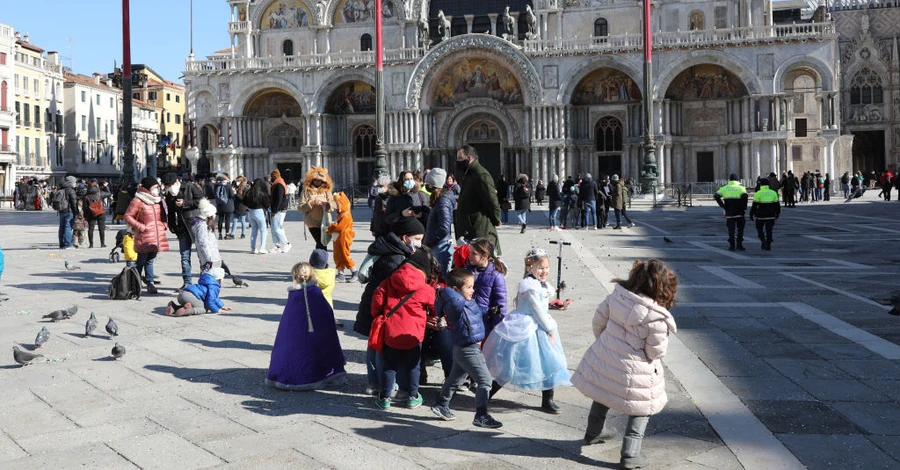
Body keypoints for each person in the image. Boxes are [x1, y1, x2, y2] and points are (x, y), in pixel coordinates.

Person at [572, 259, 678, 470]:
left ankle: (593, 432)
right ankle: (630, 454)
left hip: (607, 356)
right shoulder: (656, 319)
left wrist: (607, 344)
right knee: (642, 407)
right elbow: (656, 352)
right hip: (637, 366)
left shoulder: (617, 297)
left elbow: (598, 321)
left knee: (603, 390)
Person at [483, 248, 571, 414]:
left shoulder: (540, 283)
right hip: (529, 327)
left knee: (550, 362)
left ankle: (548, 399)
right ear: (529, 267)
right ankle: (487, 393)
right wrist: (550, 329)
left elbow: (543, 304)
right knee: (512, 364)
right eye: (540, 268)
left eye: (546, 267)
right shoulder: (529, 285)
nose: (544, 271)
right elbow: (537, 310)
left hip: (541, 324)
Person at [354, 217, 423, 395]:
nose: (419, 243)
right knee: (380, 347)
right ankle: (383, 384)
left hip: (373, 304)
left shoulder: (389, 247)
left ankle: (374, 383)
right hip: (381, 307)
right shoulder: (396, 258)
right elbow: (399, 285)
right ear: (405, 237)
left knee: (373, 343)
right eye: (417, 238)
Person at [430, 268, 503, 429]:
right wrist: (445, 290)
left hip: (463, 349)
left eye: (472, 286)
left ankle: (441, 404)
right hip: (468, 350)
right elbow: (452, 296)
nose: (473, 290)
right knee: (485, 381)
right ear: (456, 290)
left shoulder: (467, 302)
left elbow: (476, 311)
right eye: (469, 287)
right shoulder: (455, 304)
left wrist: (489, 311)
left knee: (455, 380)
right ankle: (481, 415)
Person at [371, 248, 437, 410]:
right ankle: (412, 397)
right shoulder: (426, 288)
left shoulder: (388, 281)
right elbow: (435, 309)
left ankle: (385, 397)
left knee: (390, 366)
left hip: (391, 334)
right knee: (414, 366)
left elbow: (376, 305)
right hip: (413, 335)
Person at [266, 262, 346, 390]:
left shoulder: (294, 296)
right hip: (317, 336)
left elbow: (288, 323)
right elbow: (327, 313)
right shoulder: (316, 293)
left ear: (295, 277)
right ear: (312, 275)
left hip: (296, 337)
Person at [124, 177, 169, 294]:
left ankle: (150, 283)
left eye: (157, 187)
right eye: (154, 187)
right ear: (148, 188)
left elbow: (162, 215)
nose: (156, 190)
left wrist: (164, 224)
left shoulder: (158, 200)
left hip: (156, 235)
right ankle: (135, 283)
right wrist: (141, 227)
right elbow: (127, 216)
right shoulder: (138, 200)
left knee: (150, 260)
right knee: (141, 261)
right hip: (143, 236)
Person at [455, 145, 502, 254]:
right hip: (471, 229)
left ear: (469, 158)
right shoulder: (470, 174)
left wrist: (496, 218)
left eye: (460, 158)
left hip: (480, 230)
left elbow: (491, 201)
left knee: (483, 263)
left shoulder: (481, 175)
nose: (457, 161)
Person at [164, 173, 204, 291]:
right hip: (182, 227)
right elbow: (170, 211)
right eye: (167, 186)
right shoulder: (169, 194)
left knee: (202, 254)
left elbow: (202, 201)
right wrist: (172, 225)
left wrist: (185, 204)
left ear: (177, 182)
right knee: (184, 256)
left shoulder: (190, 187)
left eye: (170, 185)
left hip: (196, 224)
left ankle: (204, 281)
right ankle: (187, 282)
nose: (169, 188)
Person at [465, 238, 507, 338]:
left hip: (486, 320)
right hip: (469, 318)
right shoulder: (467, 271)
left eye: (474, 254)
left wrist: (498, 324)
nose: (469, 256)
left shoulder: (496, 276)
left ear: (485, 255)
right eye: (469, 252)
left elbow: (501, 302)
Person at [423, 168, 454, 277]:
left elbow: (444, 227)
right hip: (439, 244)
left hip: (440, 245)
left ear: (434, 184)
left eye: (428, 183)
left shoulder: (443, 200)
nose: (427, 185)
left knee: (439, 277)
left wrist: (430, 240)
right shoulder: (441, 198)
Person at [166, 267, 231, 316]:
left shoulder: (206, 281)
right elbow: (210, 302)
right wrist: (217, 310)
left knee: (193, 304)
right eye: (223, 277)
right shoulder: (213, 286)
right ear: (218, 279)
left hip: (182, 294)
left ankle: (174, 307)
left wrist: (222, 306)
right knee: (204, 308)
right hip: (190, 296)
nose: (223, 279)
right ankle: (187, 311)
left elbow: (214, 297)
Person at [298, 166, 335, 251]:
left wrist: (326, 204)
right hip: (312, 222)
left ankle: (318, 262)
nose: (318, 182)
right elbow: (300, 207)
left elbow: (333, 204)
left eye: (321, 180)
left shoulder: (327, 191)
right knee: (321, 243)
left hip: (325, 222)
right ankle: (322, 262)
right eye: (316, 180)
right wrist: (311, 203)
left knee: (322, 243)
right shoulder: (306, 191)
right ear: (312, 179)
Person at [327, 192, 358, 283]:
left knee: (345, 255)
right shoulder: (341, 214)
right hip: (338, 237)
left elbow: (340, 227)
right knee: (337, 255)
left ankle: (354, 271)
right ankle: (340, 273)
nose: (335, 206)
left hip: (344, 237)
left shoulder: (345, 214)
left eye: (337, 203)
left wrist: (330, 228)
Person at [713, 173, 748, 252]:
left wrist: (722, 205)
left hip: (729, 212)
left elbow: (716, 196)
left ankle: (732, 246)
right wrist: (744, 207)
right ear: (737, 179)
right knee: (740, 229)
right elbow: (745, 197)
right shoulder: (741, 188)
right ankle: (739, 245)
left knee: (731, 230)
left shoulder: (725, 188)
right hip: (739, 212)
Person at [750, 177, 781, 251]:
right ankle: (768, 243)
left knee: (759, 229)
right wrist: (777, 213)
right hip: (771, 215)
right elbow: (777, 205)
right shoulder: (773, 193)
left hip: (761, 215)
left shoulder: (758, 193)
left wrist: (751, 214)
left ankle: (763, 240)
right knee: (769, 230)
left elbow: (754, 205)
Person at [243, 178, 271, 254]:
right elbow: (267, 204)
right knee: (263, 230)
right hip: (259, 211)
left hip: (250, 212)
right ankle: (262, 247)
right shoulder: (262, 193)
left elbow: (244, 201)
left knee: (254, 230)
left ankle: (253, 248)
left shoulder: (249, 192)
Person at [82, 181, 111, 248]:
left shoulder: (86, 196)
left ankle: (91, 244)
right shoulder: (100, 193)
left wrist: (85, 216)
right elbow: (109, 193)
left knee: (91, 229)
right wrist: (106, 186)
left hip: (91, 213)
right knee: (101, 228)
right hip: (100, 212)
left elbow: (84, 208)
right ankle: (102, 243)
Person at [269, 169, 291, 253]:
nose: (271, 178)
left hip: (279, 210)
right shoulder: (278, 183)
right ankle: (277, 245)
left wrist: (274, 211)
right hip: (277, 209)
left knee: (278, 228)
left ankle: (287, 243)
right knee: (274, 228)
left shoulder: (279, 185)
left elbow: (278, 199)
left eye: (272, 177)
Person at [56, 175, 79, 249]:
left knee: (62, 227)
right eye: (75, 182)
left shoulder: (61, 188)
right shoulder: (71, 190)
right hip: (69, 211)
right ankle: (68, 244)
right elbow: (74, 202)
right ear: (71, 182)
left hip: (61, 210)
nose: (75, 183)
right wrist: (76, 212)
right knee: (68, 227)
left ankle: (61, 244)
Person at [214, 175, 235, 240]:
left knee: (220, 219)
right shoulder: (228, 186)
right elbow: (231, 195)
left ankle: (220, 234)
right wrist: (233, 191)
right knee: (227, 220)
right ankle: (227, 234)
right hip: (228, 205)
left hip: (220, 205)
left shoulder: (216, 186)